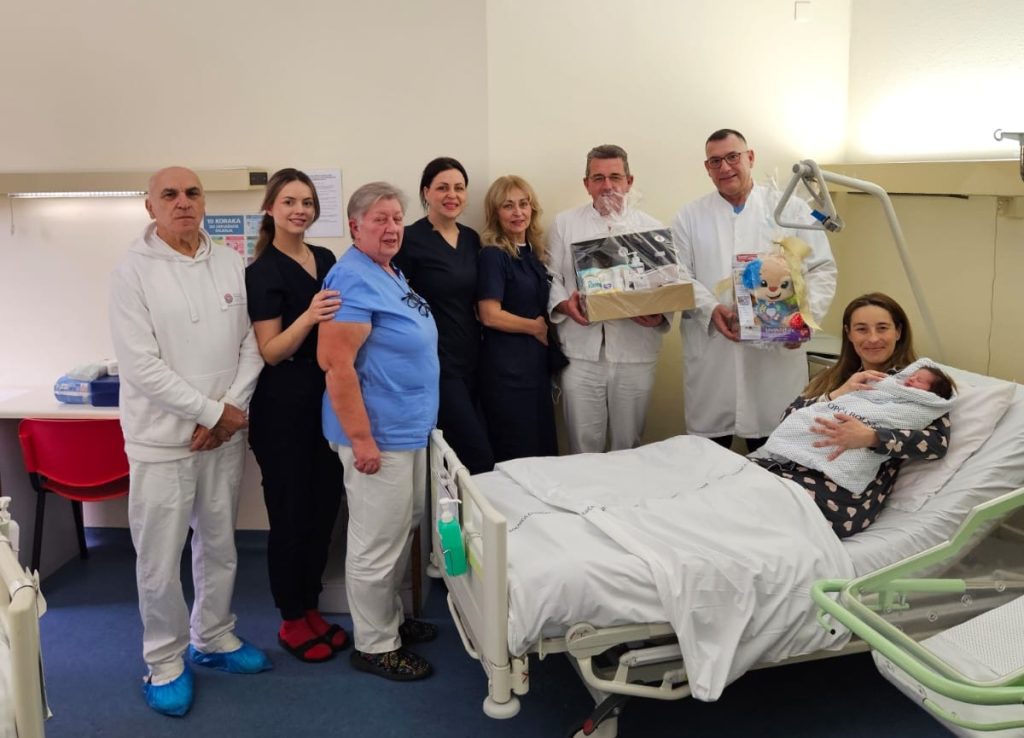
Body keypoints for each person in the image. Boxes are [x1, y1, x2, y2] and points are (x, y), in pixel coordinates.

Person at [109, 167, 270, 717]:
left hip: (223, 437)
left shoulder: (229, 260)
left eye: (192, 193)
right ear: (150, 206)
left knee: (220, 543)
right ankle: (164, 661)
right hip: (162, 444)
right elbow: (141, 366)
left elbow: (252, 343)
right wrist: (212, 412)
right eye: (170, 194)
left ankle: (214, 635)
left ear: (204, 202)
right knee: (159, 559)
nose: (183, 202)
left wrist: (230, 412)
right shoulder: (132, 272)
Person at [318, 182, 439, 682]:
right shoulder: (351, 277)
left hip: (406, 430)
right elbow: (336, 364)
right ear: (355, 226)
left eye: (396, 218)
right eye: (379, 219)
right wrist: (362, 438)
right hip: (376, 435)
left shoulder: (388, 271)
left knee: (401, 527)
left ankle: (389, 620)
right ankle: (374, 645)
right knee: (376, 541)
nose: (391, 228)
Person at [672, 128, 837, 452]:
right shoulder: (689, 216)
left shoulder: (790, 210)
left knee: (774, 453)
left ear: (750, 157)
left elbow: (822, 268)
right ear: (707, 168)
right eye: (715, 161)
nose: (725, 167)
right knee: (706, 457)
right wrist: (711, 308)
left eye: (733, 157)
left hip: (774, 359)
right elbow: (678, 274)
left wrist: (804, 320)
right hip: (714, 356)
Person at [244, 168, 347, 663]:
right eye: (289, 201)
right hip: (282, 408)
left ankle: (310, 607)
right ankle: (290, 619)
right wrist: (308, 314)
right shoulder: (262, 271)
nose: (299, 210)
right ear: (271, 208)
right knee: (290, 514)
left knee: (323, 508)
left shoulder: (325, 259)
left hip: (325, 403)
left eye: (306, 202)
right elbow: (271, 351)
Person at [751, 293, 952, 537]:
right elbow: (788, 421)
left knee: (758, 504)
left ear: (898, 332)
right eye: (861, 329)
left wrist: (871, 437)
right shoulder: (829, 377)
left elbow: (936, 443)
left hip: (841, 494)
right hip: (786, 467)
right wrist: (837, 394)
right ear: (849, 334)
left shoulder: (918, 388)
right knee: (733, 487)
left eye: (882, 328)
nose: (873, 338)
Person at [547, 145, 670, 454]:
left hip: (635, 350)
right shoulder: (565, 223)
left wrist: (658, 315)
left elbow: (667, 284)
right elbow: (550, 276)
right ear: (586, 184)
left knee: (629, 445)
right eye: (598, 178)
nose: (607, 185)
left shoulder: (653, 228)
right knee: (582, 444)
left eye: (615, 177)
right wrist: (564, 305)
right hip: (581, 352)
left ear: (629, 181)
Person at [394, 157, 493, 473]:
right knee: (476, 455)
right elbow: (395, 301)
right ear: (426, 192)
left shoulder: (472, 239)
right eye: (442, 188)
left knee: (460, 454)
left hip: (473, 357)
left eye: (459, 188)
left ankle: (453, 507)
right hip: (436, 362)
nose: (452, 195)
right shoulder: (408, 240)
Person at [477, 175, 559, 462]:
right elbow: (489, 315)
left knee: (541, 448)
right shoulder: (493, 255)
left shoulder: (534, 253)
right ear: (495, 213)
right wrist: (535, 327)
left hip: (535, 367)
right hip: (507, 370)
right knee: (517, 449)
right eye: (508, 206)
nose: (518, 212)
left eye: (523, 204)